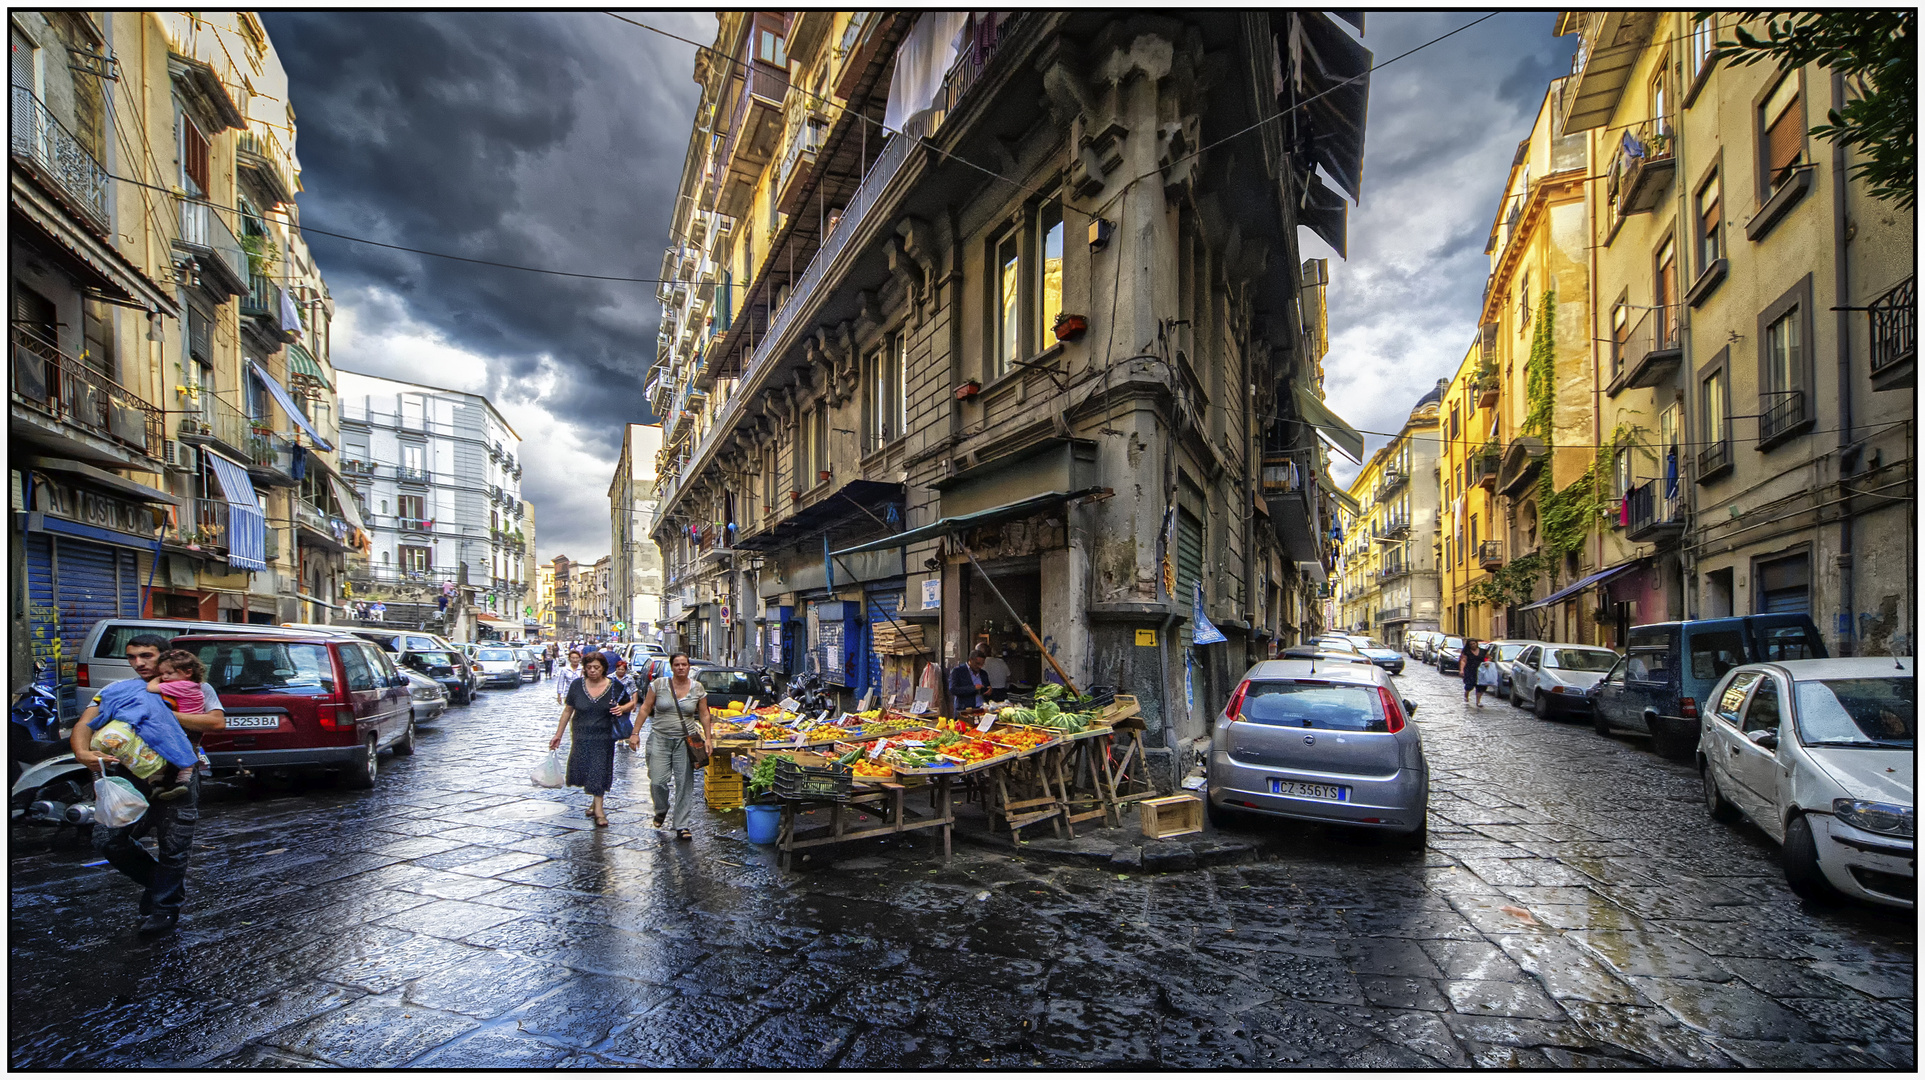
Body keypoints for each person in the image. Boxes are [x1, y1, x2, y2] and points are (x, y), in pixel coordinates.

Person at [70, 635, 225, 936]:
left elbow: (216, 722)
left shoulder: (197, 688)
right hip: (126, 780)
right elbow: (84, 724)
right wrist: (82, 753)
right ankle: (162, 886)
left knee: (174, 849)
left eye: (146, 656)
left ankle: (164, 909)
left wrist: (161, 715)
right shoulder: (115, 690)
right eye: (131, 657)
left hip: (177, 779)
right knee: (108, 840)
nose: (138, 663)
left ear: (164, 655)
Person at [630, 652, 712, 841]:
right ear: (672, 667)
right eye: (677, 665)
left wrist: (708, 738)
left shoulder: (697, 688)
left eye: (684, 664)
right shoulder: (659, 685)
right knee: (657, 780)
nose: (681, 668)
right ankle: (661, 808)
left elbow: (704, 714)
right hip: (660, 738)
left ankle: (681, 824)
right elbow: (645, 708)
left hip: (686, 741)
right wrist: (635, 733)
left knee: (684, 783)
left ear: (689, 667)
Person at [548, 652, 634, 827]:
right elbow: (567, 710)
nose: (593, 671)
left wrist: (621, 708)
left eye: (597, 667)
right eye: (589, 668)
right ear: (584, 668)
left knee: (600, 768)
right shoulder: (576, 685)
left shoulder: (614, 685)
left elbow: (631, 703)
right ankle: (595, 802)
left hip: (605, 735)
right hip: (581, 734)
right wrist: (558, 734)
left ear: (603, 668)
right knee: (586, 768)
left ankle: (599, 810)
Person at [145, 650, 211, 798]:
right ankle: (181, 783)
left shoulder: (180, 685)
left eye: (169, 673)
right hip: (195, 727)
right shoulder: (195, 686)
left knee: (166, 753)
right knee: (187, 752)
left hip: (181, 727)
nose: (165, 677)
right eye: (162, 673)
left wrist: (156, 678)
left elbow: (151, 688)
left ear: (187, 672)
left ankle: (160, 783)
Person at [948, 647, 991, 713]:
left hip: (982, 708)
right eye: (977, 663)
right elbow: (953, 689)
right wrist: (973, 688)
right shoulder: (958, 671)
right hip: (965, 709)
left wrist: (989, 690)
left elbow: (987, 687)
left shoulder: (983, 673)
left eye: (982, 664)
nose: (980, 666)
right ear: (970, 660)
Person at [1460, 639, 1483, 704]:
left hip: (1480, 671)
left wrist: (1487, 662)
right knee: (1469, 685)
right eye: (1471, 644)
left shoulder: (1482, 651)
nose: (1473, 645)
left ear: (1476, 643)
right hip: (1469, 670)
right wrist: (1462, 670)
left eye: (1474, 643)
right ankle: (1466, 694)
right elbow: (1463, 660)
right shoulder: (1467, 652)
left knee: (1480, 686)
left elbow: (1488, 658)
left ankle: (1478, 701)